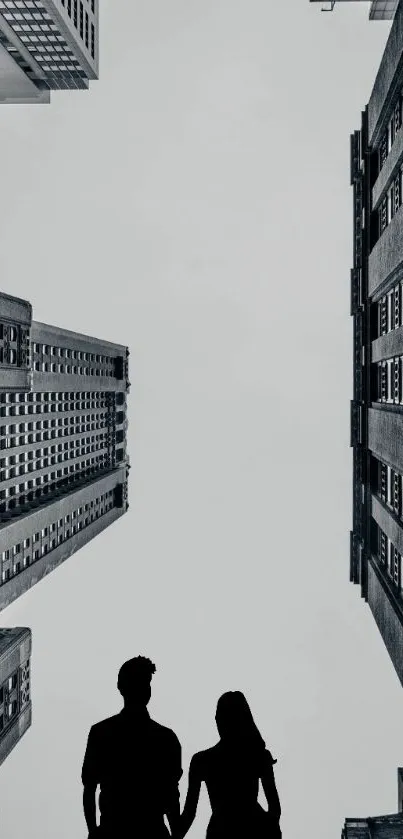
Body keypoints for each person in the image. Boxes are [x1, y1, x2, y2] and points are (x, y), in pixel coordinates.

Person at [81, 655, 182, 838]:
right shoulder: (166, 738)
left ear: (121, 687)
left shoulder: (101, 732)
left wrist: (93, 832)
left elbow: (89, 789)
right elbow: (171, 799)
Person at [175, 691, 281, 839]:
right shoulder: (258, 755)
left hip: (221, 830)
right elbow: (275, 809)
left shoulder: (202, 760)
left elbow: (188, 815)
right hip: (254, 827)